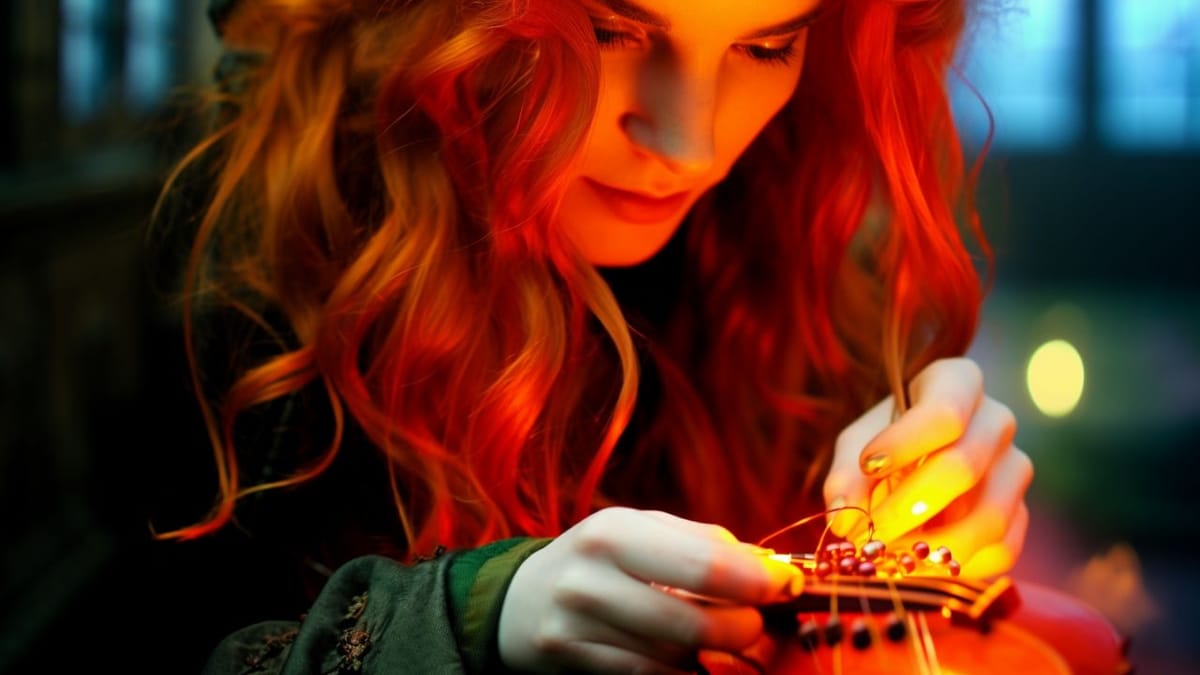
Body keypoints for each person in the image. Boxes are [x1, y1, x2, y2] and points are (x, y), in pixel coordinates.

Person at [156, 0, 1033, 672]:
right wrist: (467, 622)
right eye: (610, 32)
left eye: (768, 46)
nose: (690, 144)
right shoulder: (239, 252)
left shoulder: (792, 228)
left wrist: (922, 479)